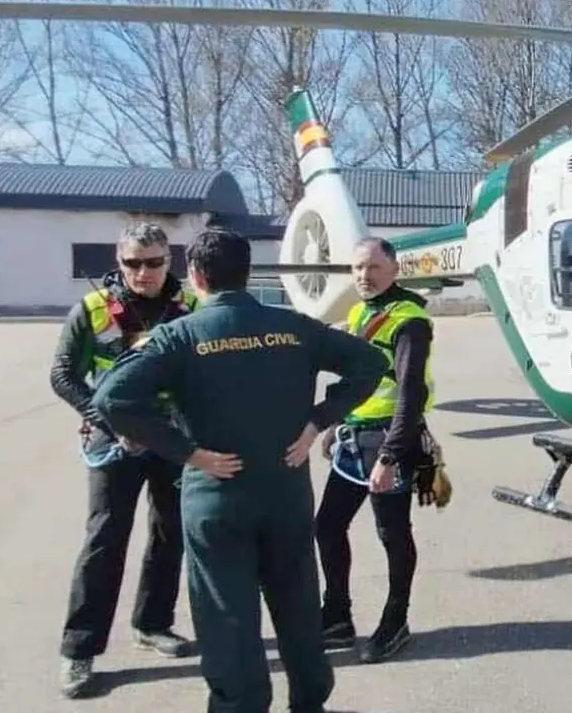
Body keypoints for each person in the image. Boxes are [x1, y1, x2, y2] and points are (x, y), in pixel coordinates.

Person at [89, 227, 387, 713]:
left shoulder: (179, 335)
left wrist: (185, 452)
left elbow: (111, 398)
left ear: (196, 276)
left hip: (216, 495)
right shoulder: (294, 327)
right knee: (297, 604)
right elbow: (370, 362)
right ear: (248, 274)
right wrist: (317, 422)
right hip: (285, 492)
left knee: (227, 618)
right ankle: (310, 701)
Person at [49, 221, 200, 698]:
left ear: (168, 261)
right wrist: (103, 417)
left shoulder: (193, 308)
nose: (142, 272)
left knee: (169, 532)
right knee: (105, 538)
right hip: (113, 443)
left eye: (153, 262)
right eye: (132, 263)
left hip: (172, 440)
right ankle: (79, 650)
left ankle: (152, 624)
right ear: (119, 263)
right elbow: (62, 375)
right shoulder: (92, 310)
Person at [316, 236, 440, 664]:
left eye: (373, 268)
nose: (364, 277)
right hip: (354, 441)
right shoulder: (358, 312)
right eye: (357, 269)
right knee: (327, 526)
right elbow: (354, 381)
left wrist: (390, 457)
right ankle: (336, 616)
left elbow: (409, 394)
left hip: (391, 442)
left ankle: (395, 621)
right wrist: (334, 425)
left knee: (392, 534)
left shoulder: (409, 321)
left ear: (394, 270)